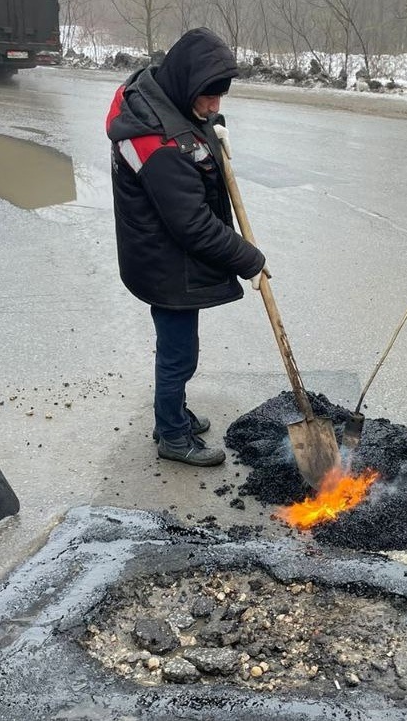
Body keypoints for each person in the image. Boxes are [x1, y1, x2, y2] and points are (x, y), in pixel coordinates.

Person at [106, 27, 268, 467]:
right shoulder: (153, 140)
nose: (215, 106)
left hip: (166, 254)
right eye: (208, 98)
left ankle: (170, 413)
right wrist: (248, 259)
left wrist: (209, 130)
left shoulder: (164, 98)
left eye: (220, 98)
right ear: (185, 85)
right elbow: (192, 224)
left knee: (178, 347)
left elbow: (189, 134)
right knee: (179, 352)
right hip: (165, 261)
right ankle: (172, 436)